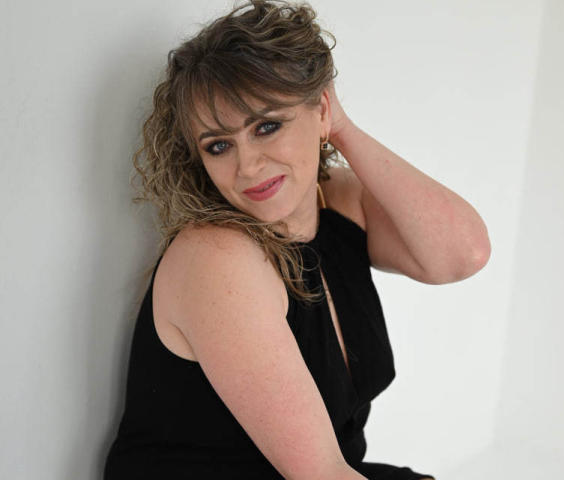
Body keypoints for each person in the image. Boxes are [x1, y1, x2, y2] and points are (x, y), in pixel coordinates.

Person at [103, 0, 490, 478]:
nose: (247, 167)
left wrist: (341, 129)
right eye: (219, 146)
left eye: (267, 126)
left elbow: (462, 254)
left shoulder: (337, 201)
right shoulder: (215, 256)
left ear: (321, 108)